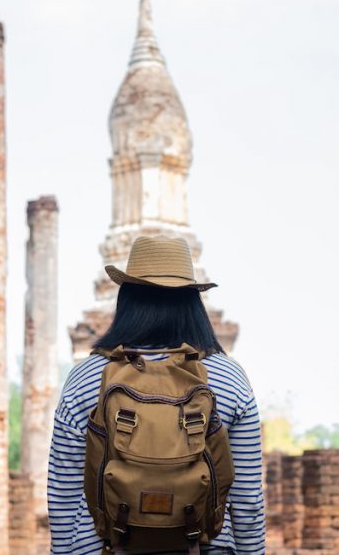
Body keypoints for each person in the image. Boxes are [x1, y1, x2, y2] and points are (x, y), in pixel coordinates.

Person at [47, 236, 265, 554]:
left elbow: (63, 495)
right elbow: (248, 502)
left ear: (127, 298)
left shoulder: (86, 376)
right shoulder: (229, 378)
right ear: (193, 301)